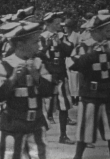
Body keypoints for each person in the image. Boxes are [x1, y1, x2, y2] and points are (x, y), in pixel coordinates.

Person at [0, 21, 54, 159]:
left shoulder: (39, 63)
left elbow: (49, 91)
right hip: (13, 125)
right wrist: (12, 79)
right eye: (35, 42)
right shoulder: (6, 64)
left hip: (36, 124)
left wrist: (36, 76)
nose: (39, 45)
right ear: (20, 45)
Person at [70, 11, 110, 159]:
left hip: (107, 94)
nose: (109, 34)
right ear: (96, 31)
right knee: (85, 131)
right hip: (90, 95)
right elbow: (74, 64)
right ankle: (78, 156)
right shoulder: (83, 46)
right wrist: (92, 54)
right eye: (107, 31)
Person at [38, 12, 75, 144]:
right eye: (57, 24)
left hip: (60, 73)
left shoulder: (61, 36)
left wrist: (60, 43)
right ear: (48, 24)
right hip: (47, 75)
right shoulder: (41, 37)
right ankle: (40, 135)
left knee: (63, 105)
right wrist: (49, 44)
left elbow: (70, 51)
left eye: (60, 23)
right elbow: (39, 54)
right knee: (42, 105)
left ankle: (63, 135)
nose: (60, 26)